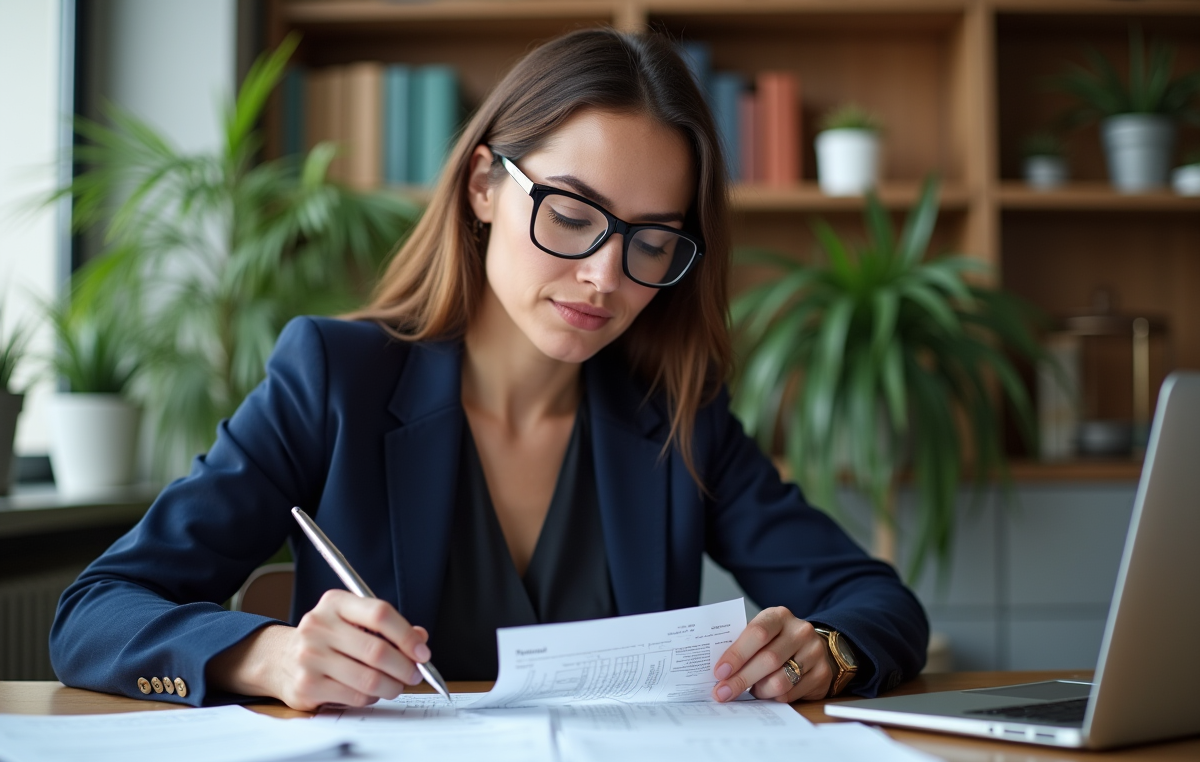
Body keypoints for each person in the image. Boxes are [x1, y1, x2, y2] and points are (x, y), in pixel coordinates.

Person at [51, 28, 927, 711]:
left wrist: (832, 651)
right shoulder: (333, 379)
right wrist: (268, 654)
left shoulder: (678, 415)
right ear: (483, 186)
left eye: (654, 240)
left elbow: (873, 602)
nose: (606, 276)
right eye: (575, 213)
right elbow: (97, 612)